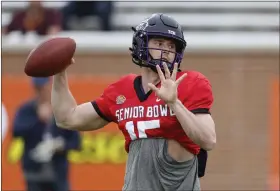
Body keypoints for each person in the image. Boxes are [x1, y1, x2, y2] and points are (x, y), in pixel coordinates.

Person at [51, 13, 216, 191]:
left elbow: (208, 140)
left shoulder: (190, 82)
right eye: (159, 43)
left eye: (171, 46)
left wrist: (175, 103)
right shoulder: (122, 90)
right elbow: (67, 118)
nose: (166, 51)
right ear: (141, 44)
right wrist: (59, 71)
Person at [12, 77, 81, 191]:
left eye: (43, 88)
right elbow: (16, 132)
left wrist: (59, 145)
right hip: (34, 175)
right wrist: (38, 120)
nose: (40, 92)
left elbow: (76, 142)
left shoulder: (62, 109)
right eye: (37, 88)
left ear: (50, 86)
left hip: (58, 175)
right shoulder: (27, 110)